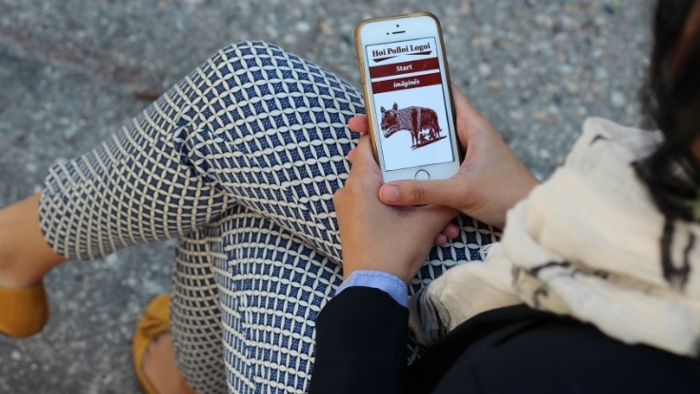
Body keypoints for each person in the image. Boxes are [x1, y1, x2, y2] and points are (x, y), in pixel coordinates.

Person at [1, 0, 699, 393]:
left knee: (247, 226)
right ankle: (18, 254)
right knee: (246, 93)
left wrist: (373, 280)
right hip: (547, 295)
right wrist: (526, 202)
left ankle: (189, 378)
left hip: (458, 365)